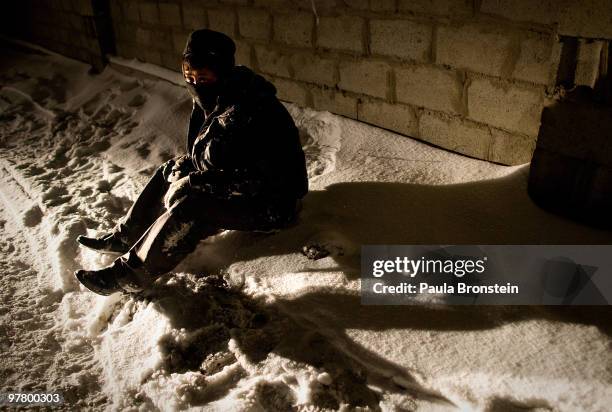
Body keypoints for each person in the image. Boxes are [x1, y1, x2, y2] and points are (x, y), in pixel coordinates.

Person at [74, 29, 308, 295]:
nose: (195, 84)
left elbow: (256, 179)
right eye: (189, 77)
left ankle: (129, 276)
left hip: (273, 202)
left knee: (192, 205)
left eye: (203, 78)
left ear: (221, 73)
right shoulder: (213, 99)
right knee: (169, 170)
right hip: (235, 184)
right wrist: (188, 170)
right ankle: (127, 235)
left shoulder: (249, 110)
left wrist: (196, 182)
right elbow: (209, 155)